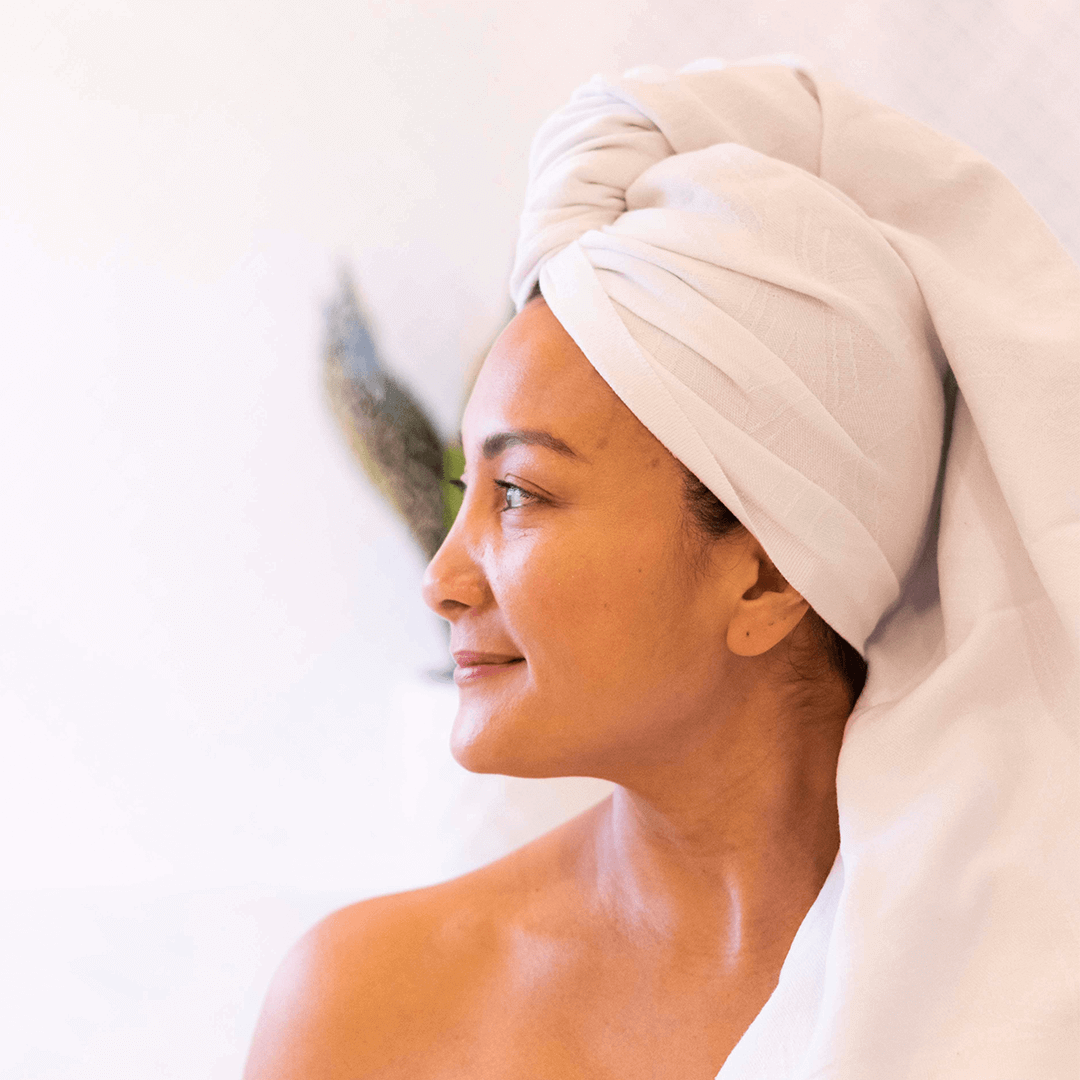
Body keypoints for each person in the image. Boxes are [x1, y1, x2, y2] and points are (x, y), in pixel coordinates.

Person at [244, 58, 1078, 1079]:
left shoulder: (1027, 1000)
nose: (443, 577)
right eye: (465, 490)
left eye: (520, 495)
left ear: (765, 578)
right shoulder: (368, 1013)